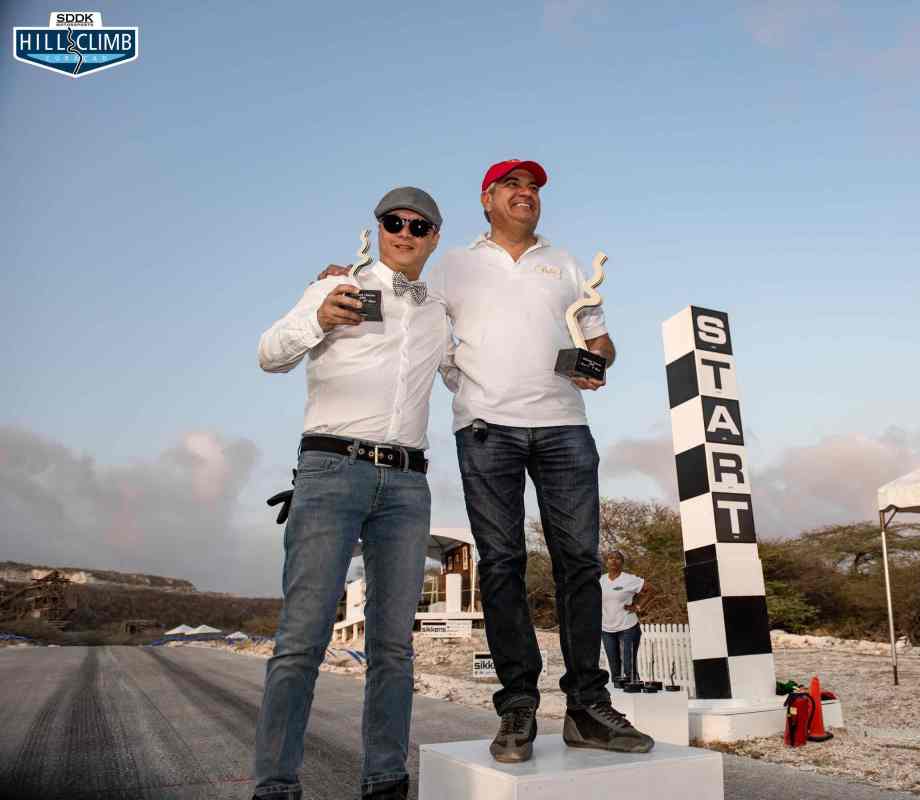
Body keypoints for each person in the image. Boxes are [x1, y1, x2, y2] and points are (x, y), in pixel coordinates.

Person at [318, 159, 652, 764]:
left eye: (533, 189)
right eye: (513, 187)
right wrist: (343, 276)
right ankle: (519, 707)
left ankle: (587, 708)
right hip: (485, 428)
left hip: (564, 429)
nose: (526, 195)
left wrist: (597, 356)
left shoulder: (568, 264)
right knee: (501, 564)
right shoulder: (451, 265)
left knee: (580, 562)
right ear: (487, 199)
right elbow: (396, 297)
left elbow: (600, 339)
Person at [254, 187, 451, 800]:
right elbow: (269, 356)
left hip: (407, 483)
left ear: (433, 238)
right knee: (302, 639)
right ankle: (276, 786)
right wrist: (317, 319)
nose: (405, 232)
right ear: (379, 226)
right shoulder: (334, 287)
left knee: (393, 645)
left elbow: (474, 371)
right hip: (331, 470)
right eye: (395, 221)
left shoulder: (441, 309)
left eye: (419, 226)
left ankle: (386, 779)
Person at [600, 551, 654, 685]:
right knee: (615, 669)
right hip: (607, 630)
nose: (614, 561)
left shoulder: (629, 579)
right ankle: (617, 702)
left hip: (628, 627)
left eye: (618, 558)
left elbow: (651, 589)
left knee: (629, 667)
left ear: (622, 562)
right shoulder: (601, 580)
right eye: (610, 558)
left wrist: (637, 606)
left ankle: (635, 695)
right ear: (606, 562)